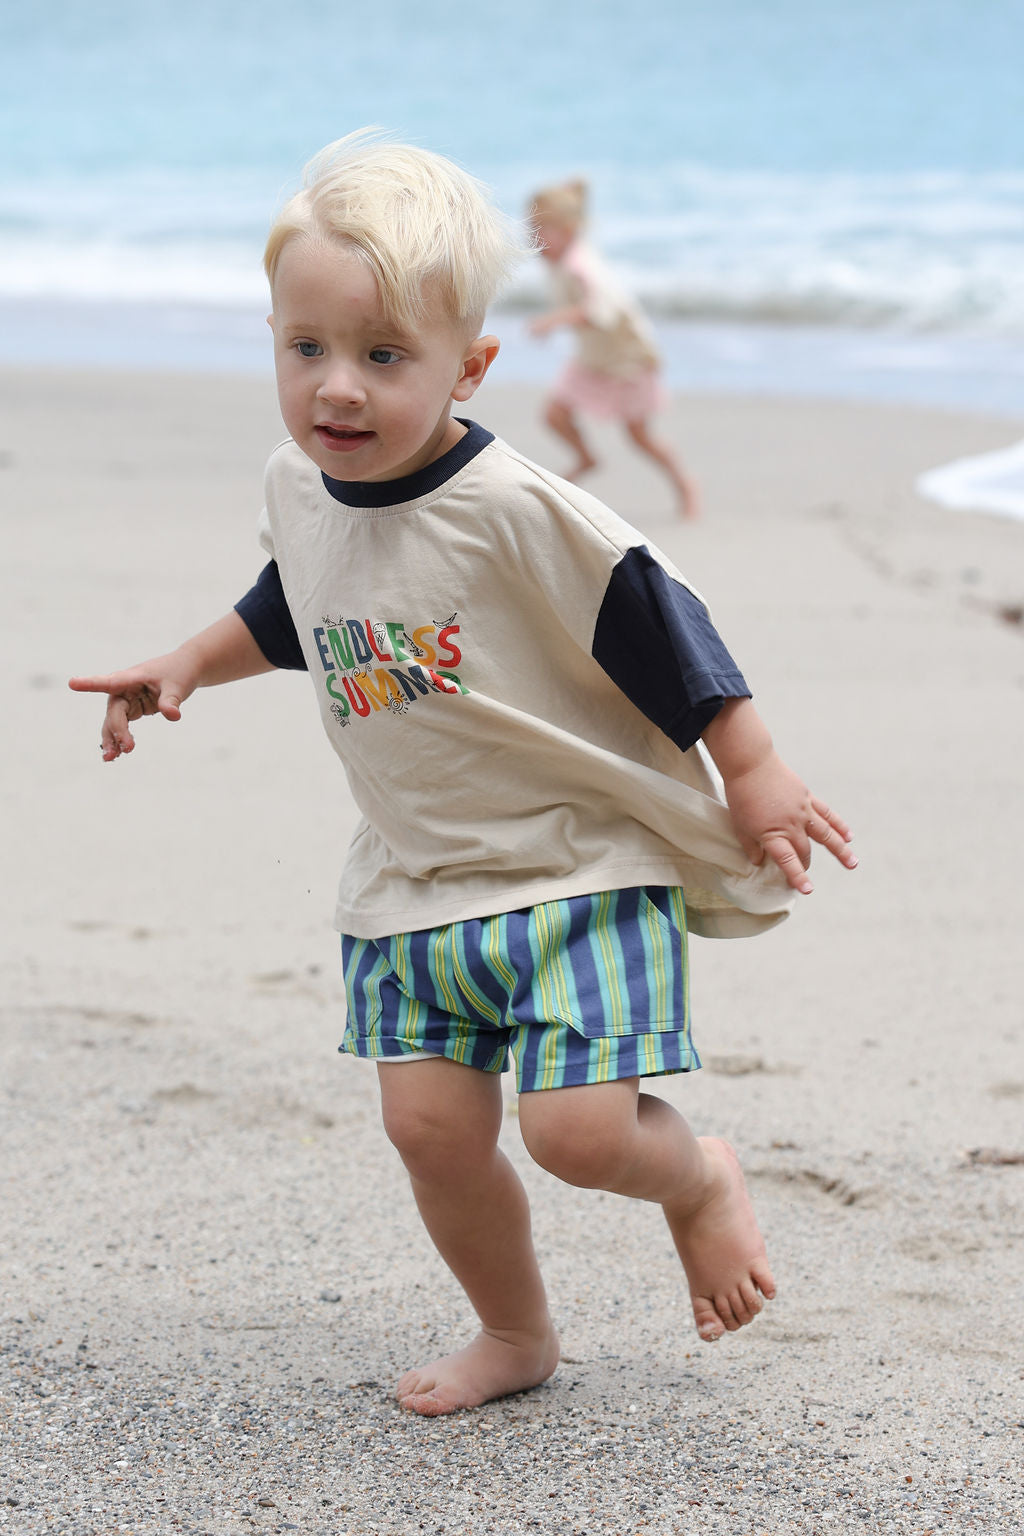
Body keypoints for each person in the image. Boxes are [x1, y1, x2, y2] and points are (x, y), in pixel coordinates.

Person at [69, 130, 856, 1419]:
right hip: (412, 882)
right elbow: (297, 602)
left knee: (578, 1136)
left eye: (385, 357)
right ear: (272, 338)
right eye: (307, 348)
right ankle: (513, 1332)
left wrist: (754, 766)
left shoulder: (517, 509)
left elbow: (657, 615)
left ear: (469, 367)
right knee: (431, 1135)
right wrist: (187, 664)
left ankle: (698, 1178)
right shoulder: (301, 486)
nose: (337, 389)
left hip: (573, 866)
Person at [528, 178, 699, 519]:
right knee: (555, 414)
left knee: (639, 435)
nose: (532, 241)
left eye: (540, 232)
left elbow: (599, 311)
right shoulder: (565, 260)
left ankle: (686, 484)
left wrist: (554, 321)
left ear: (568, 231)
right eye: (531, 231)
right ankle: (586, 457)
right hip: (594, 359)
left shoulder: (581, 266)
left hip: (627, 360)